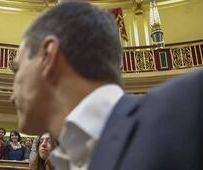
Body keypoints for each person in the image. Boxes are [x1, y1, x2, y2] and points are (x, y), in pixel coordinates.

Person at [11, 2, 203, 170]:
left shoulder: (191, 107)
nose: (12, 96)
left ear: (48, 56)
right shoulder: (64, 161)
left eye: (17, 69)